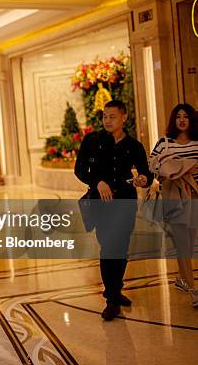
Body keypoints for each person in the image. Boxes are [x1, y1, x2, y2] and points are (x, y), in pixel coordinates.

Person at [74, 100, 153, 321]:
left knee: (122, 247)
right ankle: (111, 298)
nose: (107, 121)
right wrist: (97, 181)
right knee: (109, 246)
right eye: (104, 116)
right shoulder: (92, 140)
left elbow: (146, 173)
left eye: (112, 116)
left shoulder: (134, 145)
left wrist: (144, 179)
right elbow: (79, 169)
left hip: (126, 201)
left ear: (123, 117)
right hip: (101, 202)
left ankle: (116, 290)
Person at [149, 104, 198, 307]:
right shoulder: (165, 143)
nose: (182, 120)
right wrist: (167, 168)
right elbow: (152, 164)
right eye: (178, 116)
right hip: (173, 197)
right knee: (182, 244)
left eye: (185, 116)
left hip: (194, 196)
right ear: (173, 120)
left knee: (190, 240)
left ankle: (181, 279)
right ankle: (193, 290)